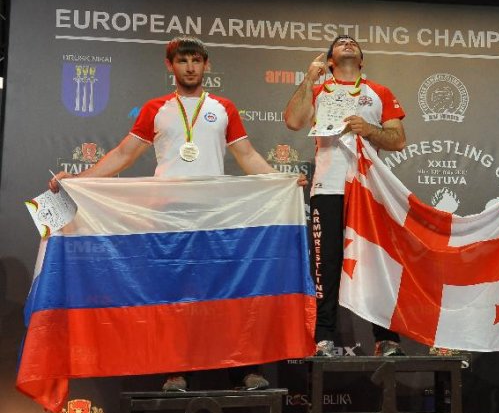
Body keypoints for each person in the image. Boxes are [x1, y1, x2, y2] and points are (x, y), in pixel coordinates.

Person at [49, 35, 304, 392]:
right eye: (182, 61)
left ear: (207, 65)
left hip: (215, 217)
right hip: (167, 218)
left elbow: (246, 156)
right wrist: (78, 180)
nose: (190, 67)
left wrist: (282, 180)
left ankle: (246, 370)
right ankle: (175, 371)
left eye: (196, 60)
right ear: (170, 66)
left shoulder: (223, 107)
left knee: (229, 294)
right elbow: (124, 155)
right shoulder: (155, 109)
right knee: (172, 297)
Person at [283, 35, 408, 358]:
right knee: (327, 265)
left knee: (376, 264)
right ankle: (323, 339)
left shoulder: (378, 92)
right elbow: (294, 121)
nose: (347, 43)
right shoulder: (316, 89)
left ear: (362, 60)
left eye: (353, 42)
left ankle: (386, 339)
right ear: (330, 60)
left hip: (369, 191)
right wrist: (310, 77)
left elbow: (398, 140)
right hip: (329, 188)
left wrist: (369, 130)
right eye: (339, 43)